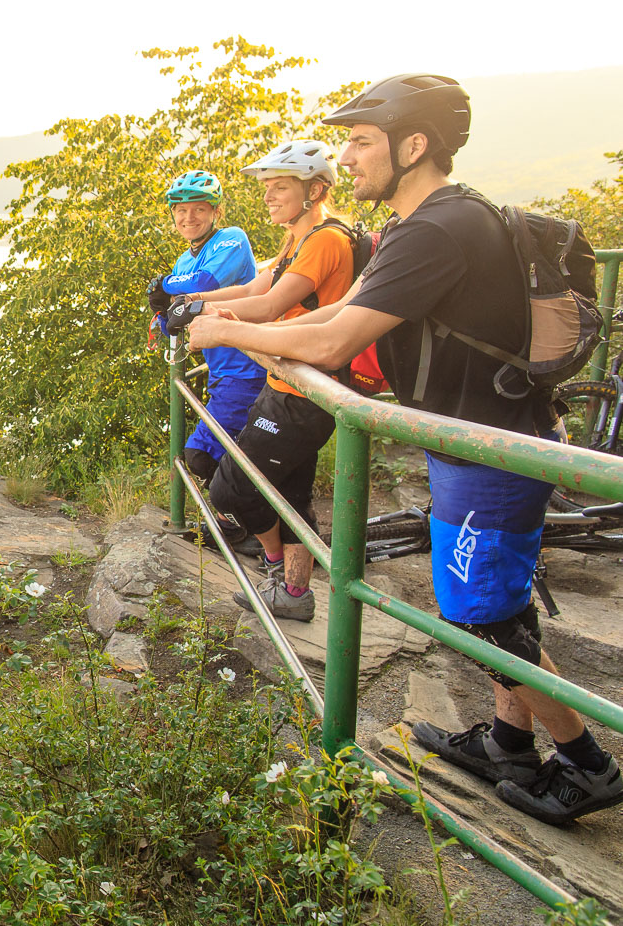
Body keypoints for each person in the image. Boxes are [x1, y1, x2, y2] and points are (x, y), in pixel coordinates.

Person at [185, 74, 621, 824]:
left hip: (490, 452)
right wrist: (249, 327)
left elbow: (331, 338)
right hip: (469, 443)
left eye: (360, 141)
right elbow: (338, 318)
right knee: (496, 601)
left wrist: (224, 330)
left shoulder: (438, 229)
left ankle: (587, 761)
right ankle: (509, 745)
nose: (346, 157)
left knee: (481, 613)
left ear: (413, 145)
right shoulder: (423, 224)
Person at [180, 140, 355, 621]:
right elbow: (258, 288)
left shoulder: (326, 240)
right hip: (285, 383)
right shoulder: (297, 239)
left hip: (304, 391)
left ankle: (276, 569)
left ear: (316, 189)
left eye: (280, 187)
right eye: (267, 188)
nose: (269, 197)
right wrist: (197, 300)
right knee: (292, 495)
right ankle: (296, 595)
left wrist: (203, 313)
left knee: (230, 490)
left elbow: (274, 306)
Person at [148, 170, 265, 541]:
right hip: (222, 373)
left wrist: (163, 286)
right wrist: (163, 315)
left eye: (198, 209)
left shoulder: (231, 240)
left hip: (248, 367)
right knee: (230, 454)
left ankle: (244, 527)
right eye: (180, 211)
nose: (188, 218)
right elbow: (173, 322)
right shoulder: (185, 260)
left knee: (201, 455)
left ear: (215, 211)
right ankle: (243, 524)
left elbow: (203, 286)